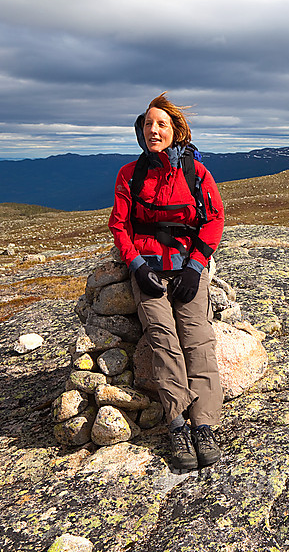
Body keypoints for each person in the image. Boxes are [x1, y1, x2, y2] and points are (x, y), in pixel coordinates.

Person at [108, 93, 225, 470]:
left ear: (176, 130)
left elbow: (214, 219)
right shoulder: (130, 174)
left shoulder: (195, 172)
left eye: (161, 124)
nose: (153, 130)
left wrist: (195, 266)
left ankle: (204, 425)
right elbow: (120, 226)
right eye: (147, 125)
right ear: (140, 133)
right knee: (162, 337)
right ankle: (177, 424)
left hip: (186, 266)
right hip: (148, 268)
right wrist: (137, 265)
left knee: (198, 339)